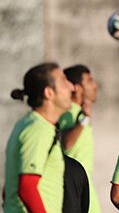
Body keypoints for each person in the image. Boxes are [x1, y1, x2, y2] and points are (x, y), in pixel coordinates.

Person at [4, 62, 74, 213]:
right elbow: (26, 186)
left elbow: (8, 189)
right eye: (64, 81)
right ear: (49, 93)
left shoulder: (29, 123)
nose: (71, 87)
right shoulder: (39, 129)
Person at [58, 64, 100, 212]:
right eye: (89, 80)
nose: (95, 86)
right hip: (73, 190)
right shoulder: (68, 112)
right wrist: (83, 120)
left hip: (84, 188)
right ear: (77, 87)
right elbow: (66, 143)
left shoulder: (79, 113)